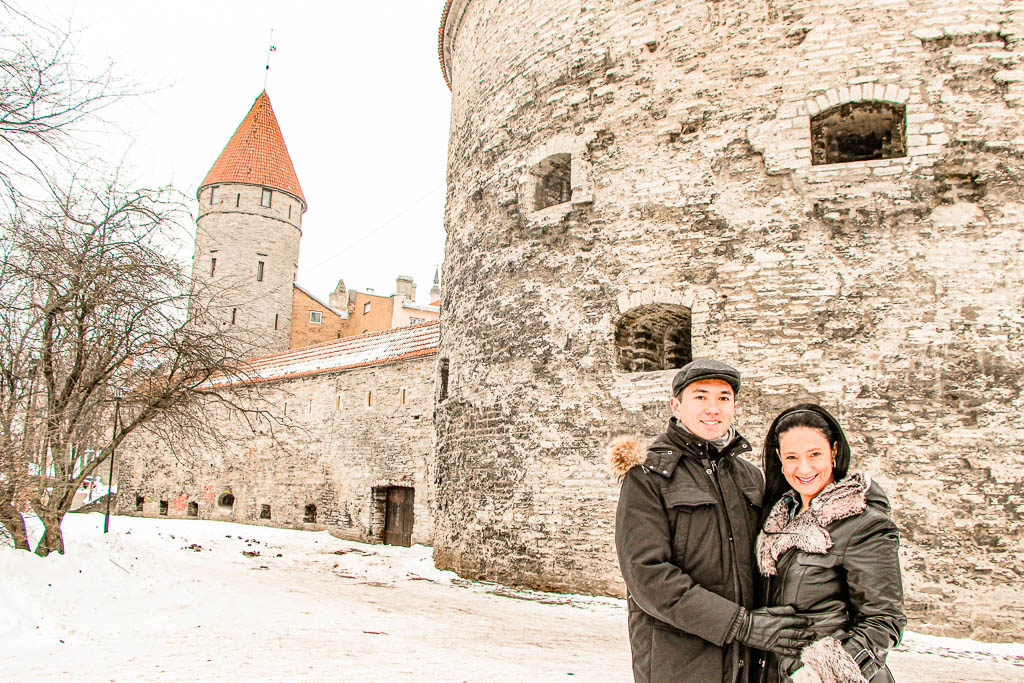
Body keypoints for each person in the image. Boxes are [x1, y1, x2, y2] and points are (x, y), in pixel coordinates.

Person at [609, 359, 815, 682]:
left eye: (723, 398)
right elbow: (647, 577)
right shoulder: (647, 477)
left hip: (746, 665)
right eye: (700, 396)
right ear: (676, 405)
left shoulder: (749, 477)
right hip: (681, 665)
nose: (713, 408)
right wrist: (740, 624)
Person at [756, 404, 906, 683]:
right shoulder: (774, 521)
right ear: (779, 458)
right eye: (792, 457)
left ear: (834, 452)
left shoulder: (864, 524)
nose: (804, 468)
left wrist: (818, 675)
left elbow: (884, 621)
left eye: (815, 454)